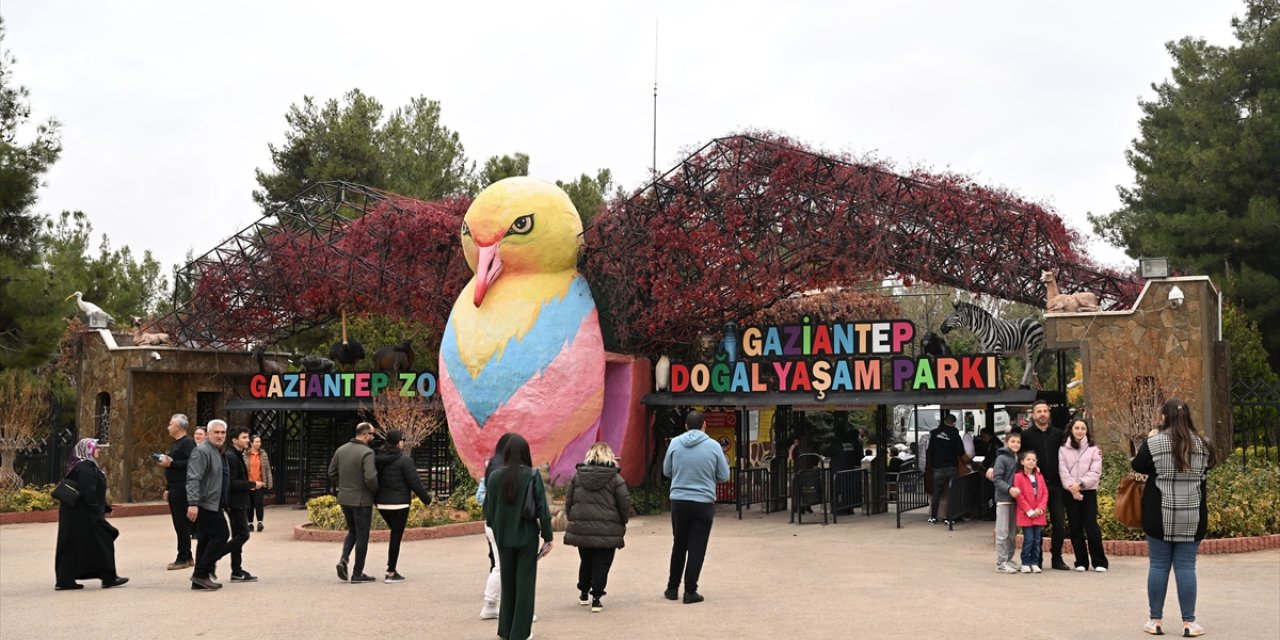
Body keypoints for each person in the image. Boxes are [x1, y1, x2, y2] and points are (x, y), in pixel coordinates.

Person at [1132, 398, 1215, 638]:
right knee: (1186, 567)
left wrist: (1152, 441)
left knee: (1158, 565)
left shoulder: (1155, 442)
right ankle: (1189, 622)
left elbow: (1139, 465)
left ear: (1164, 417)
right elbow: (1209, 466)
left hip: (1159, 513)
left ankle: (1155, 620)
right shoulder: (1204, 444)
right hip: (1192, 513)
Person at [484, 434, 553, 640]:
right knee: (525, 584)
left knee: (508, 582)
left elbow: (488, 510)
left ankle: (505, 629)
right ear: (526, 452)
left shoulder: (495, 476)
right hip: (526, 537)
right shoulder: (532, 475)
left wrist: (497, 528)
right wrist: (548, 537)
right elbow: (542, 508)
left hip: (503, 537)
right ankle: (520, 632)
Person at [662, 410, 730, 604]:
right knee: (697, 547)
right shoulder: (714, 446)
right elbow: (724, 475)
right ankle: (690, 591)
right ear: (704, 425)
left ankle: (672, 588)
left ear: (685, 426)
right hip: (703, 502)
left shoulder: (675, 443)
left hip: (679, 501)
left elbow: (667, 470)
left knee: (679, 544)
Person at [564, 442, 631, 613]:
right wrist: (622, 521)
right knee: (602, 563)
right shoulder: (616, 479)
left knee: (586, 560)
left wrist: (573, 518)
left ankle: (584, 592)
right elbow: (624, 504)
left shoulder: (577, 476)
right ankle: (597, 598)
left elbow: (569, 501)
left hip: (582, 528)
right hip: (607, 530)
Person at [54, 438, 128, 590]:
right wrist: (97, 510)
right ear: (87, 449)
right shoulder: (86, 465)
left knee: (73, 544)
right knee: (105, 538)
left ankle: (65, 579)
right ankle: (108, 576)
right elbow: (89, 491)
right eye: (95, 447)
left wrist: (104, 507)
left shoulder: (79, 465)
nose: (98, 450)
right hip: (84, 513)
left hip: (76, 512)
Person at [374, 429, 433, 583]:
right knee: (396, 536)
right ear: (398, 441)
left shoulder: (378, 459)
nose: (403, 442)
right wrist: (427, 500)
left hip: (381, 504)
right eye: (402, 439)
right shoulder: (405, 461)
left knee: (394, 533)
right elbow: (415, 483)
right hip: (399, 504)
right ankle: (391, 572)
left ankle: (391, 570)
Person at [1019, 400, 1069, 570]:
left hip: (1056, 485)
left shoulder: (1059, 434)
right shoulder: (1026, 436)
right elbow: (1015, 454)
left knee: (1058, 522)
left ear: (1049, 413)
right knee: (1036, 523)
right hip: (1034, 487)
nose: (1042, 414)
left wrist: (1094, 449)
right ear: (1033, 415)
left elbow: (1073, 450)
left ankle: (1057, 558)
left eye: (1045, 411)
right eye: (1038, 411)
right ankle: (1036, 559)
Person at [328, 422, 378, 584]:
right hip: (362, 500)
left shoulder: (341, 450)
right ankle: (357, 573)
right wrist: (374, 490)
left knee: (352, 531)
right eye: (371, 435)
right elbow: (370, 477)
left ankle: (343, 559)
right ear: (365, 435)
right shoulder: (367, 452)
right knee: (362, 535)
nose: (372, 437)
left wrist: (344, 485)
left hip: (344, 498)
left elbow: (331, 473)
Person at [1059, 418, 1108, 572]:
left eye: (1083, 428)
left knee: (1091, 527)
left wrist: (1079, 485)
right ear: (1071, 429)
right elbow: (1063, 470)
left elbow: (1095, 472)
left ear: (1087, 431)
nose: (1080, 431)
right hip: (1070, 493)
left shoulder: (1094, 449)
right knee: (1075, 527)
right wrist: (1072, 489)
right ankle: (1081, 561)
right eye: (1077, 428)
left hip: (1088, 491)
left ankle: (1099, 561)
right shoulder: (1063, 449)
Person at [187, 419, 230, 590]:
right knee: (221, 534)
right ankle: (201, 573)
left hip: (214, 502)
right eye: (216, 432)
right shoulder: (202, 451)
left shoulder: (217, 451)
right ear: (209, 434)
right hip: (205, 504)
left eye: (222, 433)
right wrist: (193, 503)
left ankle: (200, 579)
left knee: (205, 539)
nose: (220, 435)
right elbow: (193, 478)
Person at [478, 433, 517, 620]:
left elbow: (482, 498)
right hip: (508, 524)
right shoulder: (512, 470)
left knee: (499, 566)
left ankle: (490, 604)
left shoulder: (491, 466)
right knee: (515, 567)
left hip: (492, 523)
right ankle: (518, 609)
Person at [219, 426, 262, 583]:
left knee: (238, 536)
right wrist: (252, 484)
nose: (247, 440)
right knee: (243, 535)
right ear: (234, 440)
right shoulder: (231, 456)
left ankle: (236, 571)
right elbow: (230, 483)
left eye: (247, 437)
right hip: (234, 503)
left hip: (239, 502)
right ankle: (213, 556)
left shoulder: (237, 455)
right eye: (244, 437)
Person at [159, 413, 196, 570]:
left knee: (181, 523)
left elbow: (192, 463)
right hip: (175, 487)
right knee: (178, 523)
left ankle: (183, 557)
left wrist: (171, 463)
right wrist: (168, 487)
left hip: (182, 488)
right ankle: (186, 556)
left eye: (170, 424)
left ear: (177, 427)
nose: (168, 427)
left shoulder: (187, 443)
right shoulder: (176, 444)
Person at [989, 431, 1023, 573]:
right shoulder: (1001, 458)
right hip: (1004, 500)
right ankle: (1001, 562)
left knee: (1012, 533)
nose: (1016, 444)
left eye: (1018, 442)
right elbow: (997, 479)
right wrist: (1009, 489)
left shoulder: (1018, 458)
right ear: (1007, 443)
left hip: (1015, 501)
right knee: (1002, 533)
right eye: (1013, 441)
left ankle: (1009, 559)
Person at [1013, 449, 1047, 574]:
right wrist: (1028, 510)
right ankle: (1025, 562)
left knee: (1037, 539)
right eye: (1028, 459)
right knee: (1029, 539)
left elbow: (1044, 493)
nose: (1031, 462)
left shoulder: (1039, 476)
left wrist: (1040, 508)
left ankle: (1035, 562)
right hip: (1026, 514)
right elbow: (1019, 496)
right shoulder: (1018, 477)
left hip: (1038, 513)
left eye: (1033, 460)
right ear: (1022, 461)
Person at [926, 412, 963, 524]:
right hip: (952, 467)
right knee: (952, 493)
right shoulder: (955, 434)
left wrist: (933, 464)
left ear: (945, 421)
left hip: (938, 468)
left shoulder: (935, 433)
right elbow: (960, 451)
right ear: (954, 423)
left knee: (937, 492)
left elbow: (930, 451)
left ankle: (933, 517)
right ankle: (949, 518)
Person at [245, 434, 272, 532]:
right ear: (251, 443)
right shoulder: (245, 454)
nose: (259, 443)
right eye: (256, 441)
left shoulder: (263, 454)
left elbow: (267, 468)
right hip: (248, 483)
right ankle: (250, 523)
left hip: (259, 483)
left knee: (259, 503)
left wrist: (269, 482)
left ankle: (260, 522)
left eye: (259, 441)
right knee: (249, 505)